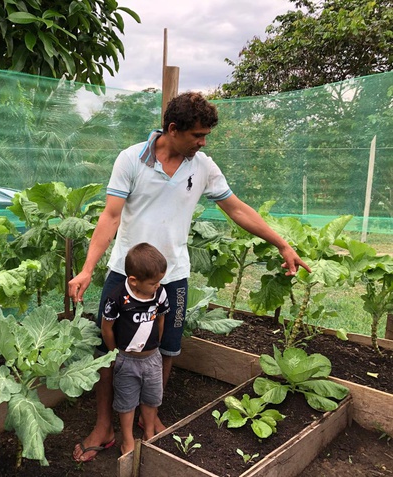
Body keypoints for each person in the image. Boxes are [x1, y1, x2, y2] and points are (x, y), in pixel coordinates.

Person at [70, 91, 311, 462]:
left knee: (165, 350)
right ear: (172, 129)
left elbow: (236, 208)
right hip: (126, 274)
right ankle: (105, 425)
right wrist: (87, 269)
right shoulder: (131, 159)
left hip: (173, 276)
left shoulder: (203, 166)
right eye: (197, 135)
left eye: (205, 136)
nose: (202, 142)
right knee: (109, 353)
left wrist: (281, 243)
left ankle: (149, 421)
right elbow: (111, 217)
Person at [100, 243, 169, 456]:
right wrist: (115, 354)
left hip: (153, 359)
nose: (158, 285)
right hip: (126, 360)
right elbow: (106, 327)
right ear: (133, 281)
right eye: (153, 283)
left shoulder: (160, 294)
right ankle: (128, 440)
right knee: (126, 402)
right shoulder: (117, 297)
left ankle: (149, 434)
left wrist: (155, 345)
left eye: (159, 281)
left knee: (152, 399)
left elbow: (161, 319)